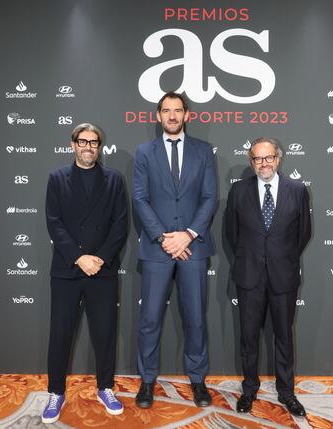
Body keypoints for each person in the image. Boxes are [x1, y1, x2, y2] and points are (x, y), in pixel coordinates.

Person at [132, 92, 217, 408]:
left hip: (194, 248)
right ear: (157, 116)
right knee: (150, 319)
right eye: (165, 110)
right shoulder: (144, 152)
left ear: (187, 115)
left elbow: (209, 198)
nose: (171, 115)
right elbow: (139, 198)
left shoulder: (204, 151)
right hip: (157, 248)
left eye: (177, 110)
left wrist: (188, 235)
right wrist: (164, 238)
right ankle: (147, 381)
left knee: (195, 318)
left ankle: (198, 381)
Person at [42, 123, 127, 424]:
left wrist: (99, 259)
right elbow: (54, 222)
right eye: (83, 141)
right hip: (67, 269)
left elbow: (120, 226)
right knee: (60, 334)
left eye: (94, 142)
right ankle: (55, 392)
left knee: (104, 334)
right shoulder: (57, 178)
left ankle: (105, 387)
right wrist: (79, 257)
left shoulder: (114, 180)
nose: (88, 146)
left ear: (99, 147)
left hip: (102, 271)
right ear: (73, 144)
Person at [226, 137, 311, 417]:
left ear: (278, 158)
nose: (263, 163)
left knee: (284, 337)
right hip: (249, 275)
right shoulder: (238, 192)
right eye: (257, 159)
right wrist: (254, 257)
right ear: (251, 162)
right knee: (249, 338)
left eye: (268, 157)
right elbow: (232, 233)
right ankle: (249, 389)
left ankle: (286, 392)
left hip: (283, 275)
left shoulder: (297, 190)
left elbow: (303, 234)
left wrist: (281, 257)